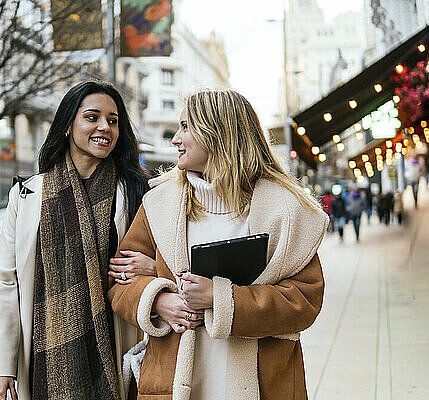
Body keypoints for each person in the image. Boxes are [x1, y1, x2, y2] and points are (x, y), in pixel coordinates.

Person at [108, 89, 328, 400]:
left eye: (186, 127)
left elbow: (304, 300)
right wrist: (159, 301)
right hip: (173, 381)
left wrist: (221, 298)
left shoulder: (286, 210)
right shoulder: (160, 204)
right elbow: (120, 282)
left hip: (265, 384)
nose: (175, 139)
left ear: (217, 133)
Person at [0, 81, 157, 400]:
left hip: (118, 342)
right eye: (92, 117)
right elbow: (5, 281)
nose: (104, 126)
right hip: (43, 350)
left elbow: (174, 257)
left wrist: (155, 266)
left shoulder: (138, 192)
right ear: (67, 125)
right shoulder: (27, 195)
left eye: (113, 120)